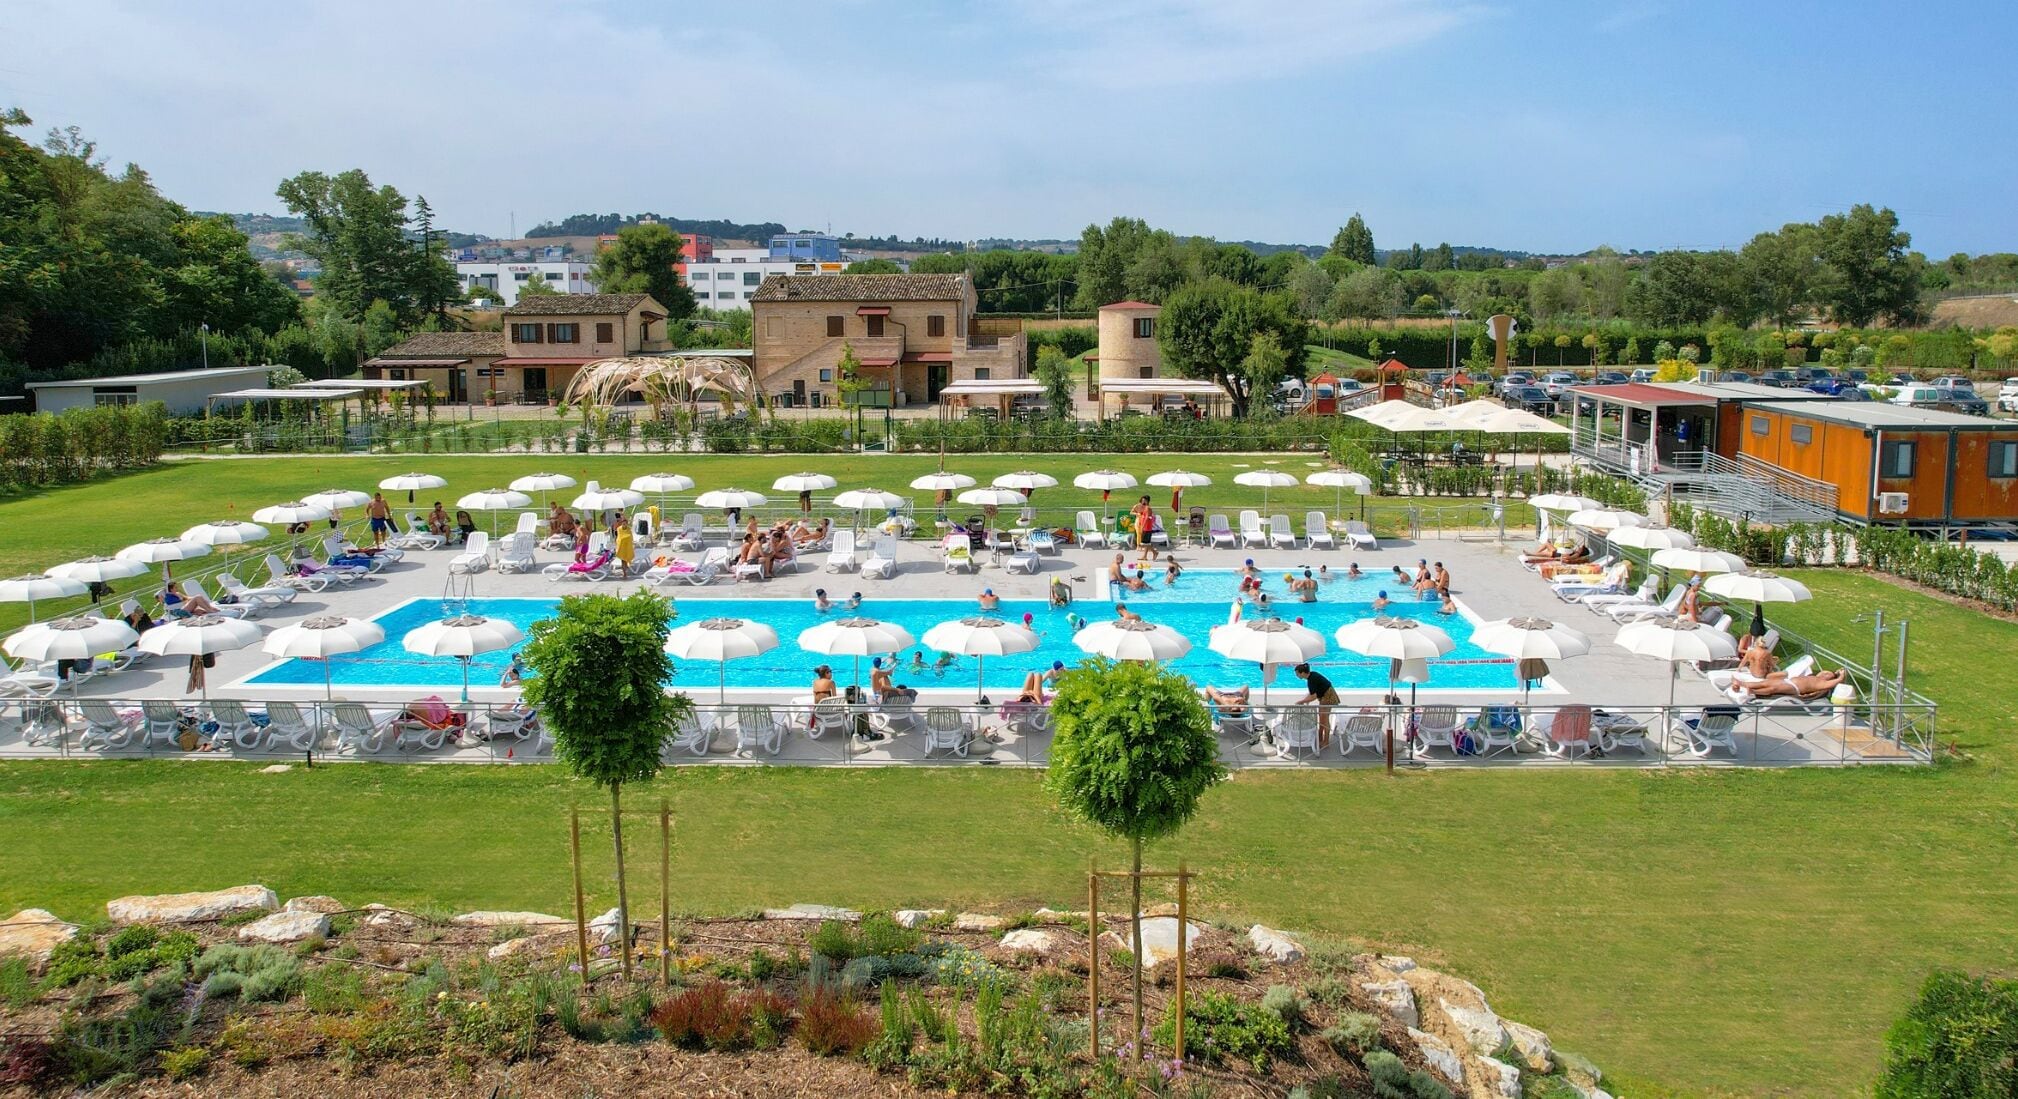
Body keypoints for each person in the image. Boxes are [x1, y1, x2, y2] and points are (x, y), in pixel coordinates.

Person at [1292, 662, 1338, 749]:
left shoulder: (1311, 680)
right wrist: (1305, 700)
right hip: (1325, 695)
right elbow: (1312, 693)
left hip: (1328, 696)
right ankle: (1320, 737)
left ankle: (1326, 741)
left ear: (1302, 673)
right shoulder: (1312, 676)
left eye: (1297, 673)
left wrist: (1301, 702)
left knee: (1325, 720)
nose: (1296, 675)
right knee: (1322, 718)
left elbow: (1313, 697)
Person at [1742, 667, 1848, 701]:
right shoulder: (1816, 677)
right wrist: (1836, 671)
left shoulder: (1822, 684)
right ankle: (1743, 684)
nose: (1824, 673)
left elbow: (1838, 680)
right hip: (1789, 681)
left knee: (1773, 688)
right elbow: (1825, 673)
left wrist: (1841, 675)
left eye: (1827, 674)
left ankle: (1753, 691)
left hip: (1794, 688)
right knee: (1766, 682)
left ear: (1829, 679)